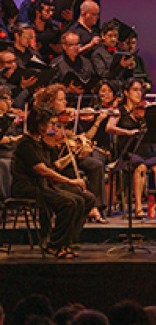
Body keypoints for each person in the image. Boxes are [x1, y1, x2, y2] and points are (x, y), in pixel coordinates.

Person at [11, 105, 90, 258]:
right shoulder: (26, 144)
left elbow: (55, 165)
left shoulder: (41, 143)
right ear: (40, 125)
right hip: (27, 188)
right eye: (51, 124)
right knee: (69, 202)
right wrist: (70, 181)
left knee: (83, 199)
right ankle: (54, 244)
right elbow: (43, 170)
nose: (54, 128)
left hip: (43, 185)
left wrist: (74, 153)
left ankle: (67, 241)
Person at [34, 83, 107, 223]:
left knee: (96, 165)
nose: (65, 103)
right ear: (50, 102)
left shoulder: (68, 117)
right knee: (71, 171)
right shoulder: (43, 118)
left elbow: (82, 136)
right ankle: (76, 208)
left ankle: (94, 207)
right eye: (61, 100)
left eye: (65, 99)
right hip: (56, 158)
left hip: (69, 154)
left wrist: (81, 143)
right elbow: (50, 139)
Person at [106, 78, 156, 219]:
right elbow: (109, 127)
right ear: (126, 93)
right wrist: (127, 132)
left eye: (140, 90)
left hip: (145, 150)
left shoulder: (144, 110)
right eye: (135, 90)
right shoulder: (119, 111)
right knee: (141, 167)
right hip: (128, 151)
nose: (139, 93)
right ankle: (138, 208)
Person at [90, 21, 134, 85]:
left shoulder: (120, 53)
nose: (113, 39)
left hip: (121, 86)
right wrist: (120, 66)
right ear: (103, 36)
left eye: (115, 36)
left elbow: (124, 77)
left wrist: (130, 68)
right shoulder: (97, 54)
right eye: (110, 36)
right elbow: (103, 75)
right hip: (107, 87)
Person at [30, 0, 62, 64]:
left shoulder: (54, 28)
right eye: (47, 11)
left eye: (52, 11)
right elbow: (33, 49)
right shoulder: (30, 29)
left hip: (54, 62)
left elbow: (59, 49)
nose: (51, 13)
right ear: (38, 12)